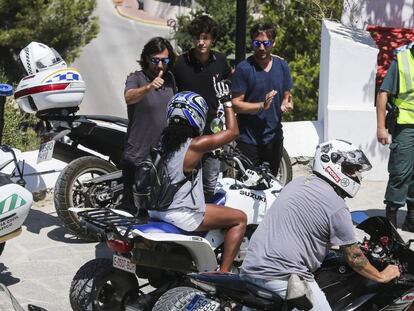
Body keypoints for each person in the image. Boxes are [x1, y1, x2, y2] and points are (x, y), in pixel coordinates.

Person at [240, 140, 401, 310]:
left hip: (250, 268)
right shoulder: (336, 205)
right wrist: (382, 276)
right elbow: (354, 258)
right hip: (283, 276)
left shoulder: (297, 183)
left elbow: (305, 228)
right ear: (332, 166)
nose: (356, 175)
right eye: (351, 169)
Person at [148, 90, 247, 272]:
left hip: (155, 211)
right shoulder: (195, 145)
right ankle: (224, 273)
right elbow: (233, 132)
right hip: (181, 214)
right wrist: (227, 102)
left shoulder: (161, 143)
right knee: (240, 218)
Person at [172, 14, 231, 202]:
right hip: (186, 137)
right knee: (183, 184)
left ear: (212, 39)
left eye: (205, 38)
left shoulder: (221, 61)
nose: (201, 42)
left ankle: (205, 225)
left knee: (209, 185)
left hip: (212, 135)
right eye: (197, 37)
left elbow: (228, 85)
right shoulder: (180, 63)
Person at [122, 37, 176, 214]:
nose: (160, 65)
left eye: (164, 60)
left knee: (156, 210)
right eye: (155, 60)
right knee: (133, 209)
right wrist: (148, 87)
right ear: (146, 58)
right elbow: (129, 97)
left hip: (162, 157)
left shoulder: (170, 80)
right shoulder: (136, 78)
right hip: (138, 155)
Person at [231, 23, 293, 177]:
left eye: (266, 43)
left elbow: (287, 96)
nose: (261, 48)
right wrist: (261, 105)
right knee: (246, 188)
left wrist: (287, 104)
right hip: (248, 141)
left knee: (270, 185)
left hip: (274, 138)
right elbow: (236, 105)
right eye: (257, 43)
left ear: (274, 43)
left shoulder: (282, 66)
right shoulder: (244, 68)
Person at [376, 46, 414, 233]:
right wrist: (381, 128)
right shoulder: (402, 61)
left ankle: (412, 218)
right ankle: (391, 217)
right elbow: (383, 94)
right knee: (400, 171)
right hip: (405, 125)